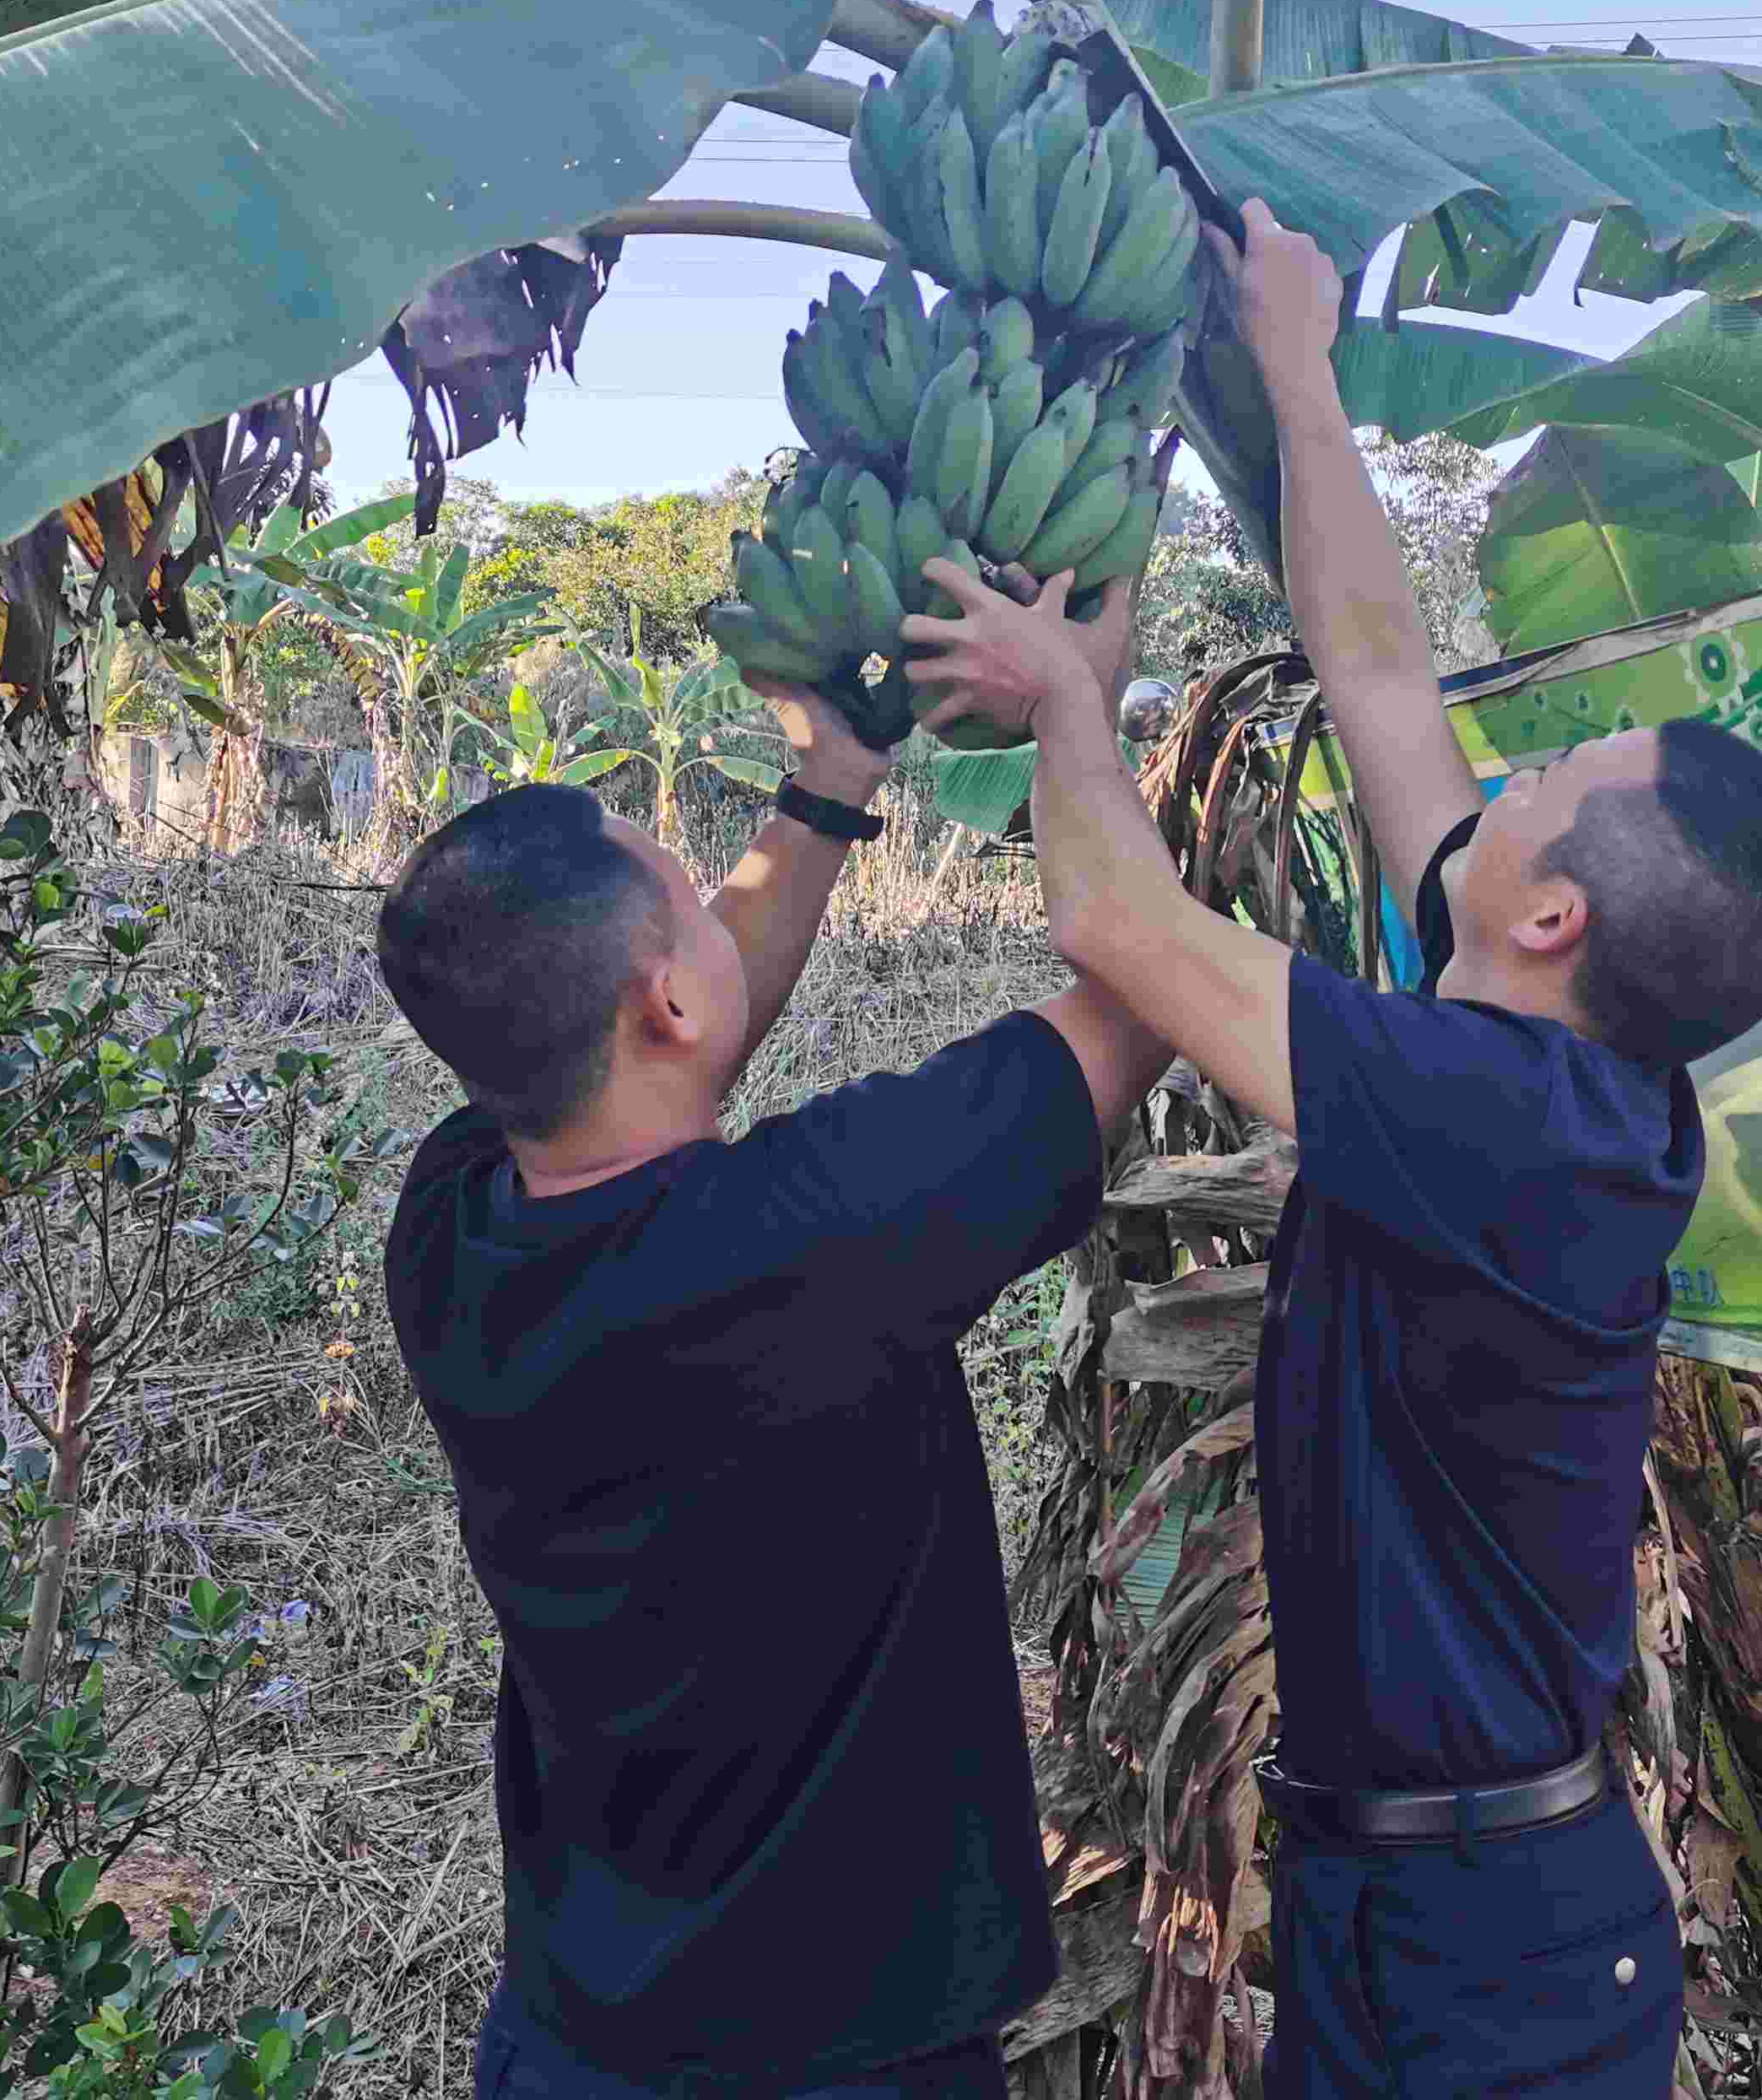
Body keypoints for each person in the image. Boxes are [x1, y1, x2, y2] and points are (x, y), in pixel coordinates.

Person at [900, 197, 1762, 2099]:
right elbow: (1386, 681)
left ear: (1554, 913)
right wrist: (1299, 376)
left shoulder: (1504, 1122)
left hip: (1495, 1949)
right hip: (1419, 1896)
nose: (1511, 777)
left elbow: (1127, 934)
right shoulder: (1527, 1046)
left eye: (1550, 787)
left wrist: (1076, 699)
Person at [375, 624, 1168, 2100]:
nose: (710, 904)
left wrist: (825, 792)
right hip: (839, 2059)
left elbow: (671, 1037)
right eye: (688, 896)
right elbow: (1142, 995)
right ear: (667, 999)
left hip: (575, 2036)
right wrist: (1078, 701)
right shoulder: (816, 1239)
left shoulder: (450, 1224)